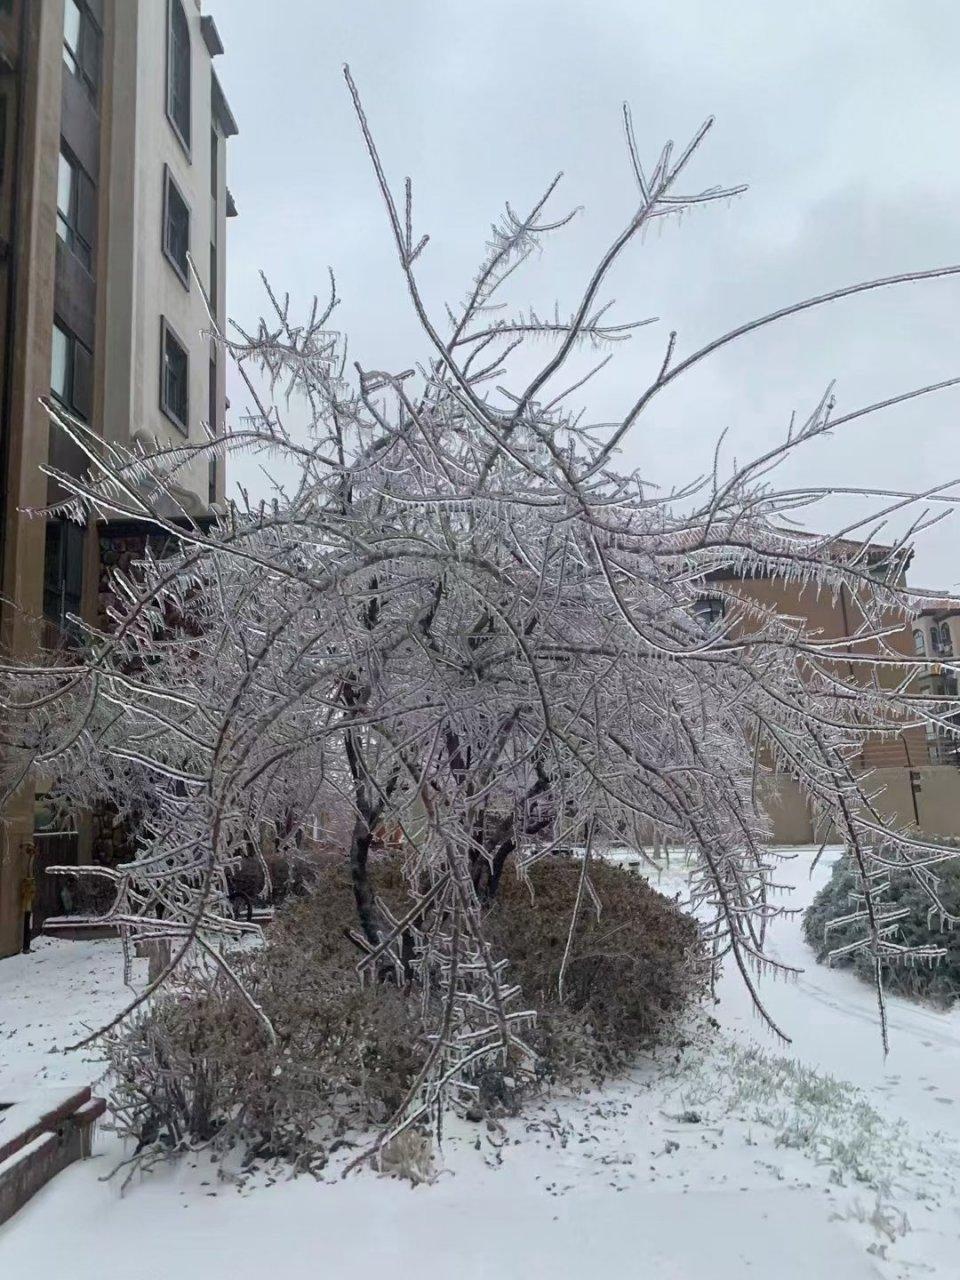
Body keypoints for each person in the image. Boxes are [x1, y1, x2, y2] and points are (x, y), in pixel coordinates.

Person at [19, 843, 36, 953]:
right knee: (27, 920)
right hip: (27, 901)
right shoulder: (28, 882)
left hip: (28, 901)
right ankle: (26, 947)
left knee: (28, 920)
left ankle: (26, 946)